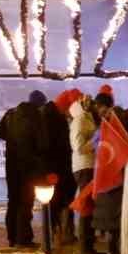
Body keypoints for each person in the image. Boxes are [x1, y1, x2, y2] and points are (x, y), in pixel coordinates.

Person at [0, 90, 51, 248]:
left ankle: (12, 237)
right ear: (39, 105)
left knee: (12, 200)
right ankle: (23, 238)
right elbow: (43, 144)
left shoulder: (10, 113)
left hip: (11, 165)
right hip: (29, 166)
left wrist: (12, 140)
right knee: (25, 202)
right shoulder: (37, 117)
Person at [65, 88, 101, 254]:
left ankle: (88, 246)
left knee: (89, 207)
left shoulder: (86, 118)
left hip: (88, 166)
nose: (89, 101)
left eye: (89, 99)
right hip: (84, 166)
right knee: (86, 206)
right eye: (85, 100)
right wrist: (96, 139)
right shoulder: (79, 120)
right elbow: (79, 148)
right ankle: (85, 248)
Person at [91, 92, 127, 254]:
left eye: (101, 108)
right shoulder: (104, 126)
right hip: (108, 174)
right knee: (111, 216)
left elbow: (94, 144)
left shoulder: (114, 123)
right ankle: (114, 249)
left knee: (114, 216)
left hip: (114, 174)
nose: (99, 111)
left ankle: (116, 250)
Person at [42, 90, 77, 241]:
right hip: (58, 168)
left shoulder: (53, 116)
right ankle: (58, 233)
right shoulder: (53, 118)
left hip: (58, 167)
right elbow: (54, 146)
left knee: (59, 201)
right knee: (58, 201)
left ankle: (60, 232)